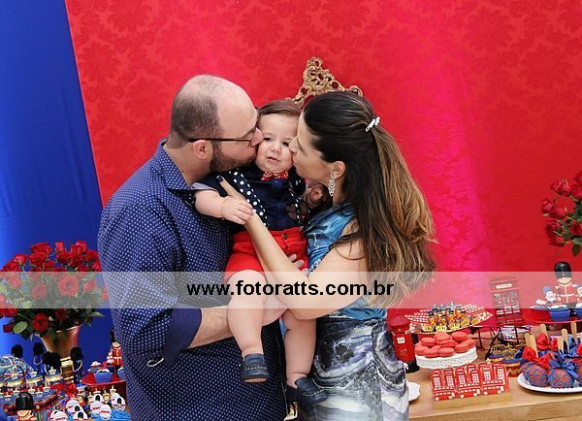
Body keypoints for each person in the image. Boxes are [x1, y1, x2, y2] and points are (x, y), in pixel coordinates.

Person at [218, 91, 436, 420]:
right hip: (327, 378)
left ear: (335, 168)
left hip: (358, 388)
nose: (290, 148)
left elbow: (305, 302)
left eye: (300, 145)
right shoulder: (324, 203)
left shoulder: (361, 231)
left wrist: (252, 220)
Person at [98, 75, 289, 420]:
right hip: (203, 410)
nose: (259, 139)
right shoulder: (140, 209)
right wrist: (255, 308)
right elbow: (145, 330)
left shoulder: (231, 177)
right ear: (202, 148)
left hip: (260, 405)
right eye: (248, 135)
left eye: (256, 124)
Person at [193, 99, 326, 403]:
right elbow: (199, 194)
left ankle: (297, 377)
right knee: (247, 289)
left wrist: (311, 199)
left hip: (292, 257)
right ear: (253, 138)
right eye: (267, 139)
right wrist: (223, 206)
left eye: (287, 143)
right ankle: (252, 351)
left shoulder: (295, 178)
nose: (275, 149)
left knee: (304, 315)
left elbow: (299, 208)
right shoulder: (235, 172)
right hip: (249, 253)